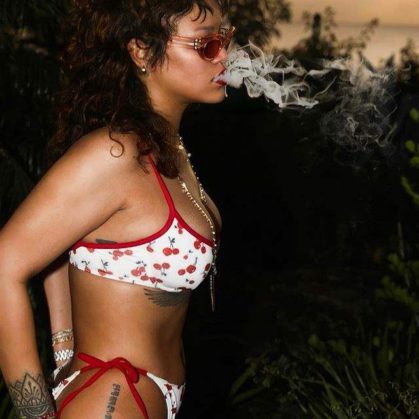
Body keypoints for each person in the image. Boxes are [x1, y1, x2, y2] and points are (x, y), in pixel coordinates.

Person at [0, 0, 234, 417]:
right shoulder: (116, 155)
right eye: (207, 44)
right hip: (113, 398)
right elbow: (5, 263)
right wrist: (37, 413)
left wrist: (64, 345)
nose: (225, 56)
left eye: (226, 39)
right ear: (141, 51)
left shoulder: (168, 150)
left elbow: (59, 243)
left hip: (150, 396)